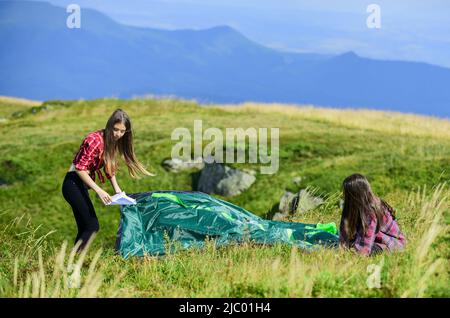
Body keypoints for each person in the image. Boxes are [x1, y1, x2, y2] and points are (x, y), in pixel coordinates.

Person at [62, 109, 154, 252]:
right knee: (92, 226)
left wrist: (118, 191)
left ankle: (73, 263)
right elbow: (80, 168)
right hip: (73, 183)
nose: (117, 134)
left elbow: (109, 167)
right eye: (115, 129)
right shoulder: (94, 140)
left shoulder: (112, 142)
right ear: (109, 125)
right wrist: (99, 190)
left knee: (85, 227)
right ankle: (75, 263)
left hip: (80, 184)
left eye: (122, 131)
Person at [339, 173, 406, 256]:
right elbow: (344, 229)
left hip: (391, 242)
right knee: (351, 246)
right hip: (374, 238)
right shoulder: (351, 206)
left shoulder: (371, 209)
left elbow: (367, 235)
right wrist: (342, 247)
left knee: (369, 250)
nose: (344, 195)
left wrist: (357, 253)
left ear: (355, 194)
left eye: (346, 193)